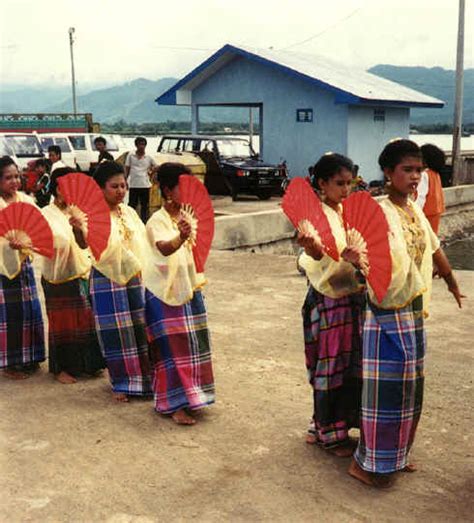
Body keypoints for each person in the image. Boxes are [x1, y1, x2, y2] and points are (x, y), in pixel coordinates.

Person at [349, 139, 464, 488]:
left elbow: (433, 246)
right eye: (407, 170)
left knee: (410, 390)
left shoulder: (414, 209)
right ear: (388, 172)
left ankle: (396, 455)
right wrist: (356, 260)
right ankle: (366, 462)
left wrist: (451, 280)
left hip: (412, 311)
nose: (415, 177)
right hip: (384, 312)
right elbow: (360, 255)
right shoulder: (377, 210)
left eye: (419, 170)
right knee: (383, 392)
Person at [298, 153, 365, 456]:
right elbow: (313, 254)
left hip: (352, 299)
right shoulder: (314, 217)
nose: (346, 189)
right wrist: (312, 249)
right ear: (322, 183)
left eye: (350, 183)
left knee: (351, 366)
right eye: (340, 183)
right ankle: (329, 432)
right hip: (328, 301)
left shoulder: (348, 212)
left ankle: (327, 424)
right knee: (330, 365)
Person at [143, 163, 215, 425]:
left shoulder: (189, 216)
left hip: (190, 288)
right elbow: (163, 248)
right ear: (167, 191)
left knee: (193, 345)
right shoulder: (157, 221)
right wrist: (180, 238)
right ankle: (172, 404)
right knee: (171, 349)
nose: (190, 192)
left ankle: (193, 397)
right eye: (182, 187)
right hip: (164, 293)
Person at [74, 161, 152, 401]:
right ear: (100, 188)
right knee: (116, 332)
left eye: (124, 186)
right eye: (114, 186)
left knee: (140, 327)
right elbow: (83, 244)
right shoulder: (91, 215)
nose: (121, 191)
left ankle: (146, 379)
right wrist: (78, 230)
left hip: (135, 276)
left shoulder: (129, 212)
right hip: (106, 278)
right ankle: (123, 382)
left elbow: (144, 243)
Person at [39, 167, 105, 384]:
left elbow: (85, 243)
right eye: (66, 187)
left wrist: (78, 229)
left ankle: (88, 363)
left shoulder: (78, 212)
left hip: (81, 271)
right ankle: (61, 368)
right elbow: (43, 245)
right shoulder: (45, 214)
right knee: (62, 323)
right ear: (57, 189)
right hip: (57, 275)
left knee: (85, 319)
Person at [0, 156, 45, 379]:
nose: (14, 181)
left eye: (17, 176)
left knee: (29, 310)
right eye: (8, 178)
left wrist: (25, 242)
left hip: (24, 263)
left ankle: (29, 357)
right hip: (3, 268)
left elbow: (37, 230)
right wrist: (8, 244)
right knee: (8, 315)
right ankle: (9, 363)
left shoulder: (26, 201)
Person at [415, 143, 446, 235]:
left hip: (426, 212)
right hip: (436, 211)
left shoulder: (424, 175)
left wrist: (415, 213)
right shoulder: (435, 174)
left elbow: (421, 197)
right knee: (432, 238)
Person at [124, 136, 156, 222]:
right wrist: (125, 180)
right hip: (133, 184)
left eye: (143, 144)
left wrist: (151, 173)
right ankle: (131, 220)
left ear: (145, 145)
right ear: (136, 145)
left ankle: (144, 221)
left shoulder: (149, 157)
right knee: (132, 204)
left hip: (145, 185)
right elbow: (127, 168)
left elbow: (156, 166)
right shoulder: (131, 155)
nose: (141, 146)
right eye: (139, 144)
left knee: (144, 205)